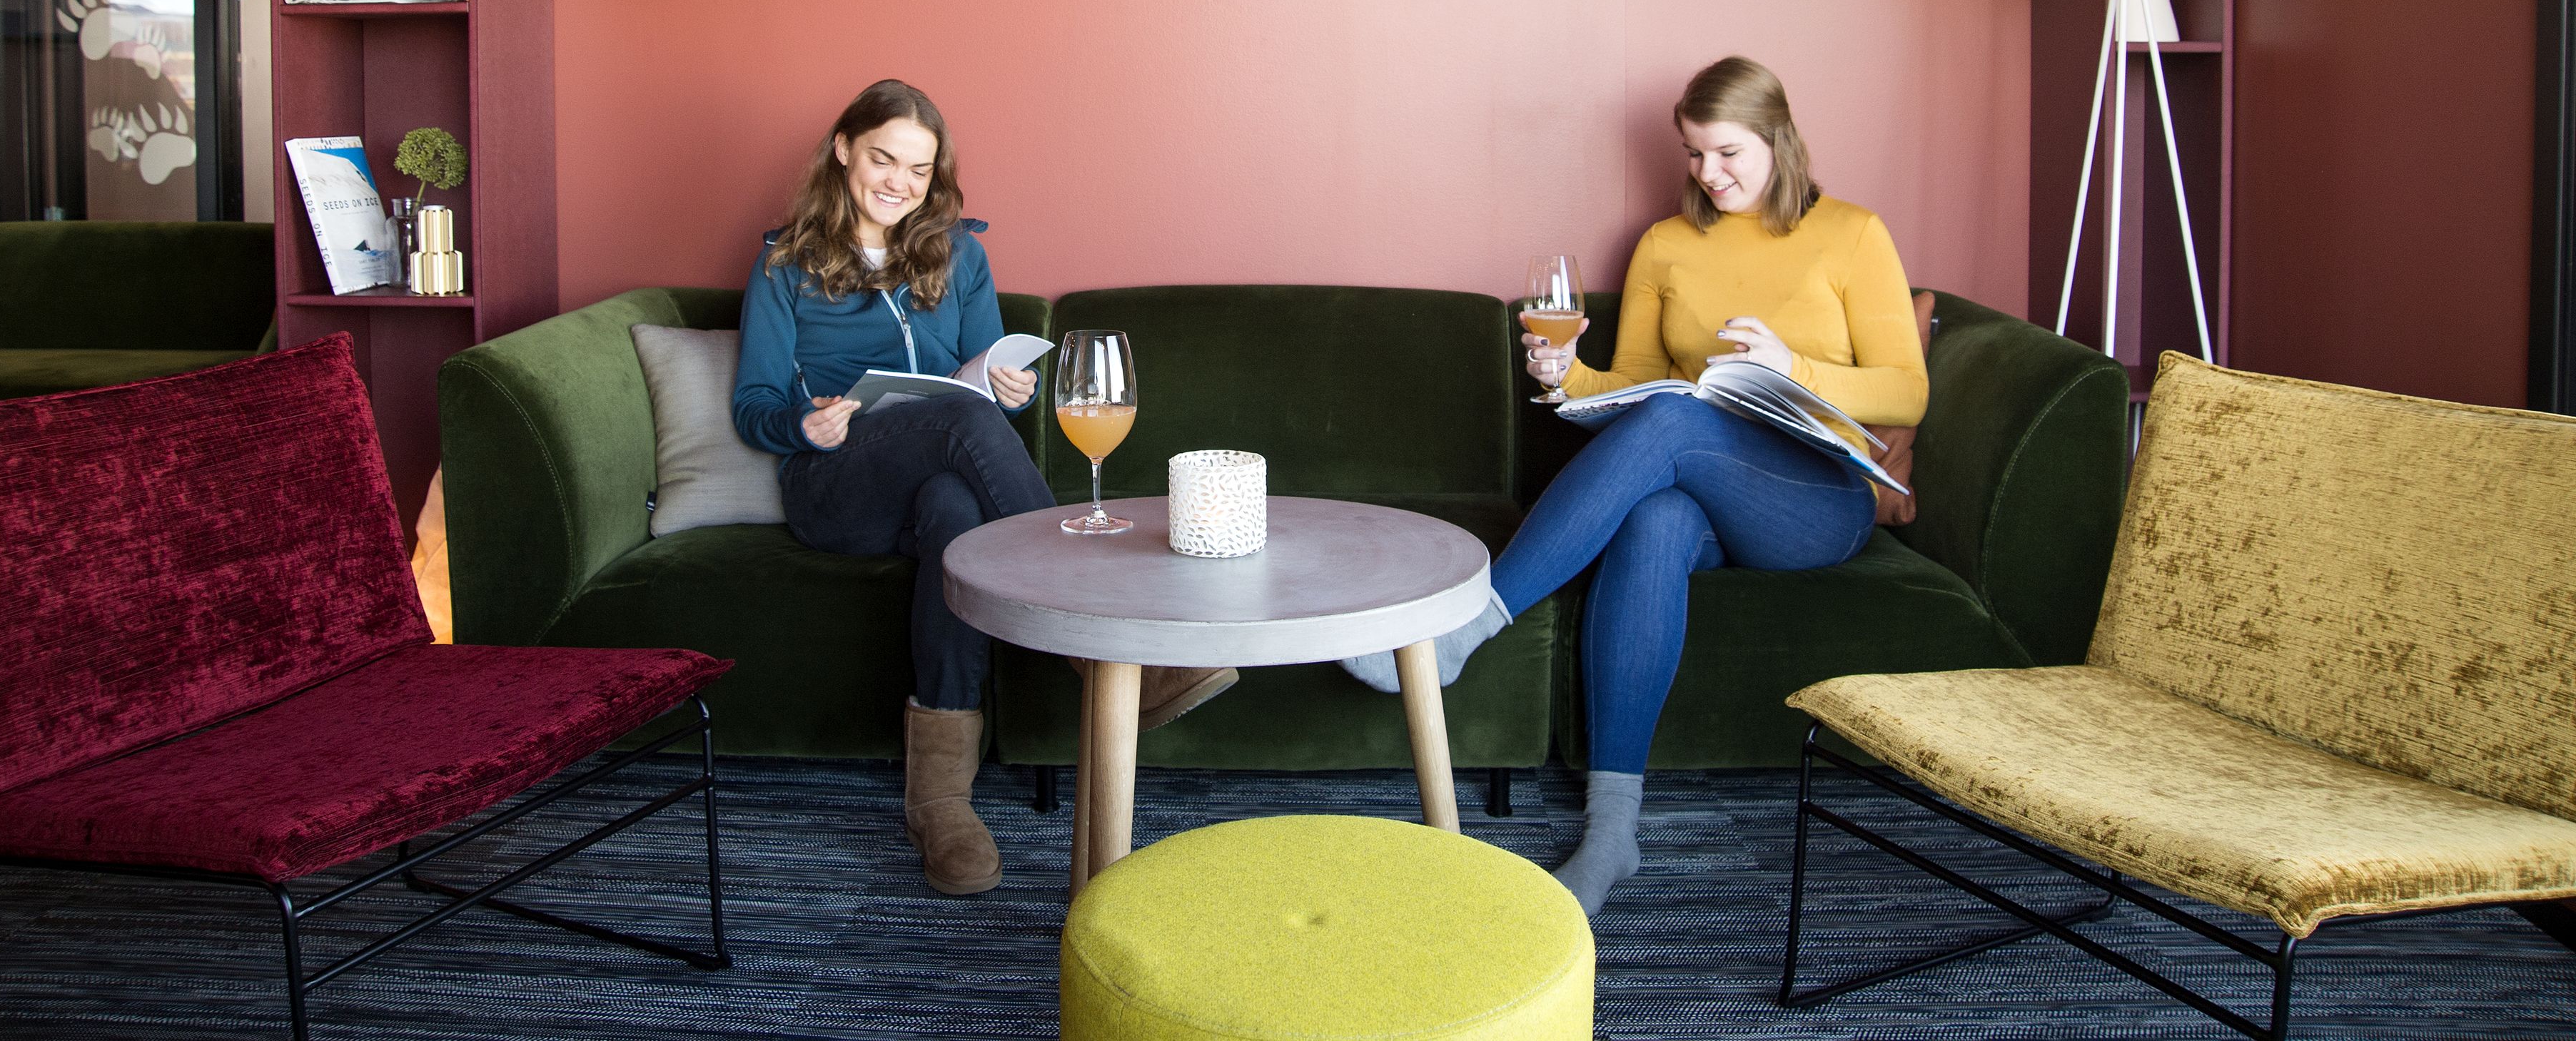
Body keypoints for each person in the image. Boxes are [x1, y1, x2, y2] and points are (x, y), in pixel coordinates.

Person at [1338, 56, 1925, 915]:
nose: (1707, 175)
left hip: (1817, 498)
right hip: (1702, 489)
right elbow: (1638, 393)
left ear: (1779, 140)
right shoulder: (1666, 245)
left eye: (1727, 154)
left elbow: (1906, 390)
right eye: (1692, 155)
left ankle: (1470, 622)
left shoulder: (1852, 233)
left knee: (1683, 423)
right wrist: (1567, 375)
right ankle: (1613, 835)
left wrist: (1789, 366)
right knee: (1655, 514)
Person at [733, 79, 1233, 895]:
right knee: (962, 436)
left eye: (919, 171)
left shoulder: (961, 254)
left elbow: (981, 372)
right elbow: (753, 405)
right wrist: (802, 425)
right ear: (844, 151)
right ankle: (1107, 636)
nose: (898, 182)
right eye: (883, 159)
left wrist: (1009, 388)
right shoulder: (785, 262)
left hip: (936, 476)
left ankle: (940, 803)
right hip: (833, 484)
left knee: (954, 509)